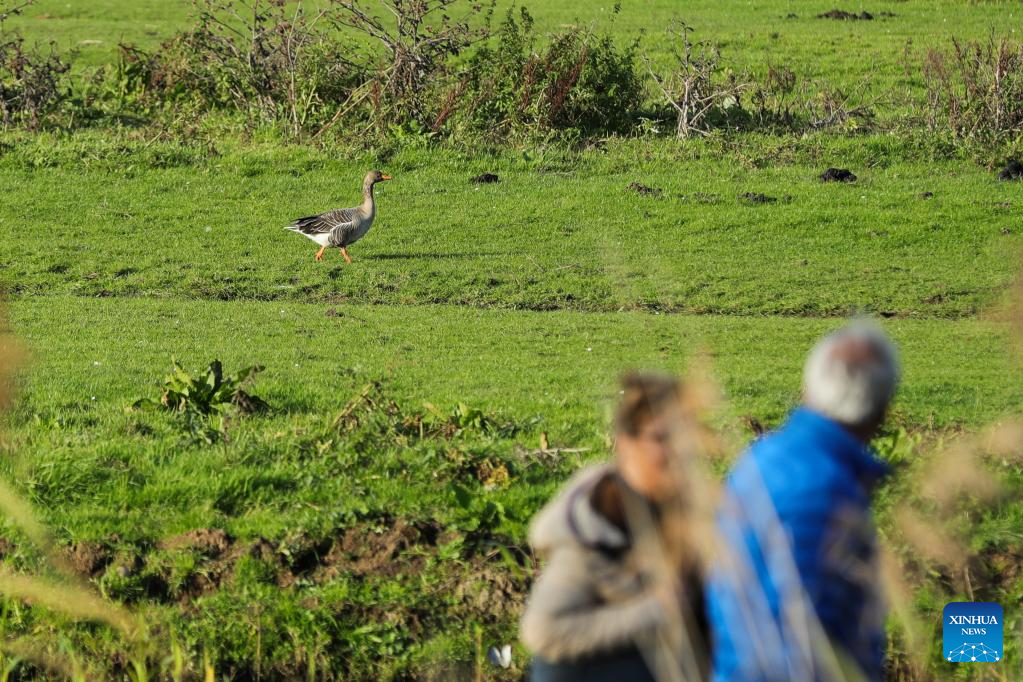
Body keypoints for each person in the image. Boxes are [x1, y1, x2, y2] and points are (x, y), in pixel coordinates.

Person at [705, 321, 899, 681]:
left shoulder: (763, 457)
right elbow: (800, 645)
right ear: (882, 411)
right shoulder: (821, 492)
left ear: (809, 388)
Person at [521, 372, 708, 682]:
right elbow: (542, 631)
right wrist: (657, 608)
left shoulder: (689, 511)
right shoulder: (596, 527)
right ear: (625, 444)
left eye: (685, 434)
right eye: (661, 438)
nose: (678, 449)